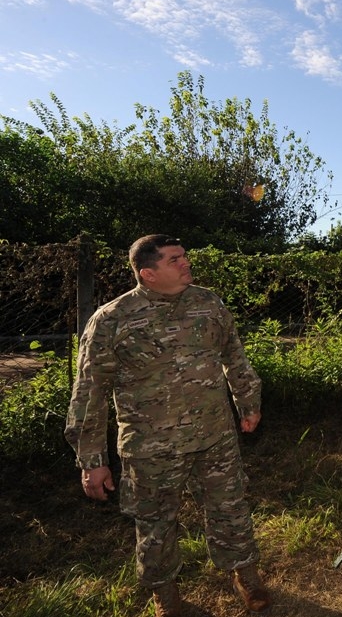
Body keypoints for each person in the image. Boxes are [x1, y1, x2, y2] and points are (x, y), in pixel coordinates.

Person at [65, 234, 270, 617]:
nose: (185, 262)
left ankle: (247, 576)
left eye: (185, 256)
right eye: (175, 259)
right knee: (156, 525)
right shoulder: (112, 320)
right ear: (148, 273)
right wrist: (91, 459)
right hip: (151, 448)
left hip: (215, 436)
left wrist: (248, 401)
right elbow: (89, 393)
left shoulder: (208, 303)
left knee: (231, 509)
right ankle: (166, 595)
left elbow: (234, 355)